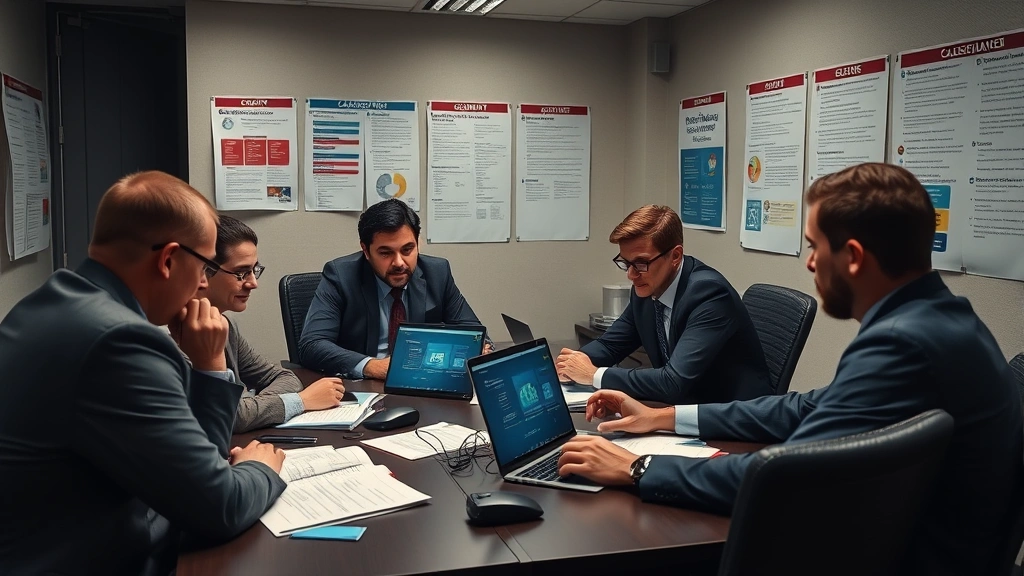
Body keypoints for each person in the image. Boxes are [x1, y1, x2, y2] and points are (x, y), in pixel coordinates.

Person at [556, 163, 1023, 575]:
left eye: (815, 246)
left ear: (854, 257)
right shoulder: (942, 318)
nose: (811, 262)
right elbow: (806, 406)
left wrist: (638, 467)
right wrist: (663, 417)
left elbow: (780, 478)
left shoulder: (903, 344)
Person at [0, 171, 287, 575]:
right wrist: (260, 466)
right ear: (168, 259)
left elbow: (190, 475)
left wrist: (206, 368)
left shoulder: (52, 302)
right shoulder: (119, 341)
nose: (204, 283)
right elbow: (217, 507)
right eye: (205, 266)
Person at [555, 205, 772, 404]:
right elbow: (612, 344)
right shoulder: (647, 285)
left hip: (734, 419)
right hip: (684, 407)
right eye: (625, 263)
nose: (631, 274)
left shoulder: (709, 294)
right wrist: (573, 362)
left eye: (640, 263)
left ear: (675, 255)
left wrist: (593, 375)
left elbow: (673, 382)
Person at [299, 198, 488, 379]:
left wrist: (481, 348)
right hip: (363, 388)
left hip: (421, 381)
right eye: (385, 253)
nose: (399, 263)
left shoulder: (437, 273)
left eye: (407, 250)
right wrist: (372, 366)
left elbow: (474, 333)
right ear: (366, 250)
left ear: (417, 243)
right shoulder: (341, 276)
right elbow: (312, 345)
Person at [196, 215, 347, 432]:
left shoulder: (226, 325)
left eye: (254, 270)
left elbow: (283, 376)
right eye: (241, 273)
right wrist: (301, 401)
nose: (253, 283)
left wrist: (250, 409)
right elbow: (231, 418)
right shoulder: (171, 339)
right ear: (203, 272)